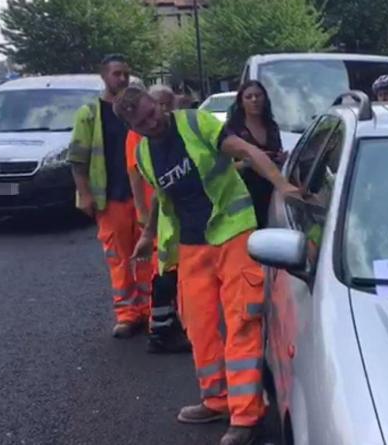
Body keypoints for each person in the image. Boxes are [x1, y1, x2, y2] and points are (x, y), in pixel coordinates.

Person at [114, 87, 300, 445]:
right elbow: (161, 195)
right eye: (144, 122)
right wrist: (148, 235)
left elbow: (246, 150)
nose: (154, 122)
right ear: (132, 127)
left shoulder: (197, 123)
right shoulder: (144, 152)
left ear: (158, 104)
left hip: (232, 232)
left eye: (154, 112)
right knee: (197, 326)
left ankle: (246, 416)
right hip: (192, 245)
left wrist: (282, 184)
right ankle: (216, 400)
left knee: (241, 321)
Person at [70, 54, 152, 339]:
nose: (122, 79)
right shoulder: (90, 113)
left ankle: (152, 310)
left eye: (126, 74)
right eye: (117, 74)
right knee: (120, 257)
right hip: (112, 197)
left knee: (148, 255)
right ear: (103, 76)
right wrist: (85, 194)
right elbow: (78, 159)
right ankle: (127, 313)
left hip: (142, 194)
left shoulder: (135, 111)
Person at [125, 84, 190, 354]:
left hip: (169, 211)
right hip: (160, 214)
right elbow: (135, 173)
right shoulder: (140, 136)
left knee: (170, 273)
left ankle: (167, 325)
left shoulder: (172, 129)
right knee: (163, 274)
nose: (162, 110)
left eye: (167, 104)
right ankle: (161, 330)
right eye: (159, 103)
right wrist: (143, 217)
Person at [225, 80, 286, 228]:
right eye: (249, 97)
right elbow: (223, 167)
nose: (254, 100)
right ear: (241, 102)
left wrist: (282, 159)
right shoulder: (232, 130)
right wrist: (249, 162)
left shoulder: (272, 127)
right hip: (244, 195)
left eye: (258, 96)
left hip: (270, 193)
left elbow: (277, 155)